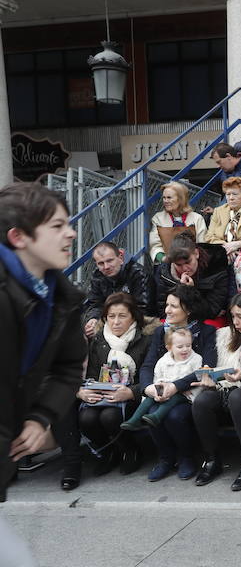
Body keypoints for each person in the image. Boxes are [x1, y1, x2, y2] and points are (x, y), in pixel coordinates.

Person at [0, 184, 85, 503]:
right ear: (18, 237)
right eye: (57, 226)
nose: (72, 234)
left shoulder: (61, 297)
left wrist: (40, 416)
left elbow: (69, 366)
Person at [57, 292, 151, 491]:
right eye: (111, 316)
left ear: (133, 316)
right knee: (87, 417)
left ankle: (130, 450)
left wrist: (130, 392)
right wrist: (88, 391)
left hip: (133, 396)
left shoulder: (144, 340)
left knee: (110, 416)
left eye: (122, 316)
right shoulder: (99, 340)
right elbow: (91, 374)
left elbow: (148, 377)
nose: (116, 322)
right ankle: (108, 452)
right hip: (104, 394)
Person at [139, 285, 217, 482]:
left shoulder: (206, 331)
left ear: (188, 310)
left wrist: (176, 386)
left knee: (174, 416)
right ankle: (165, 458)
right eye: (167, 305)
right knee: (150, 412)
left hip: (189, 393)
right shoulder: (160, 333)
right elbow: (148, 365)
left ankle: (186, 457)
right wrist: (149, 388)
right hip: (162, 388)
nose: (167, 310)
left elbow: (206, 367)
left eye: (173, 306)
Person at [191, 291, 241, 490]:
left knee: (238, 396)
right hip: (226, 387)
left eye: (240, 317)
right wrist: (212, 380)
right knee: (202, 401)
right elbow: (218, 370)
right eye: (233, 316)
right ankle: (211, 460)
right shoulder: (224, 336)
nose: (235, 322)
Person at [121, 326, 202, 431]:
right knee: (149, 399)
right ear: (169, 348)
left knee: (174, 397)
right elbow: (157, 376)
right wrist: (158, 389)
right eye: (180, 347)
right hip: (164, 389)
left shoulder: (196, 359)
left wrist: (181, 389)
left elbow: (198, 376)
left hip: (185, 393)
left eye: (188, 345)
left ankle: (157, 416)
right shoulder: (163, 361)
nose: (185, 349)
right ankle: (134, 420)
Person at [149, 232, 230, 323]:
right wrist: (181, 289)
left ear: (196, 253)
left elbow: (211, 311)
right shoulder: (165, 273)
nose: (184, 268)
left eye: (188, 262)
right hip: (176, 319)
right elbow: (163, 311)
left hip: (204, 321)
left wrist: (191, 292)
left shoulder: (216, 268)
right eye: (178, 265)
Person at [82, 241, 150, 338]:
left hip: (134, 325)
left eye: (110, 261)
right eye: (101, 263)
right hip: (110, 321)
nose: (106, 267)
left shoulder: (139, 274)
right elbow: (95, 304)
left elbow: (144, 310)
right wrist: (93, 319)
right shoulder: (97, 276)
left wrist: (110, 324)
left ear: (121, 258)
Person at [148, 181, 208, 263]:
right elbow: (155, 246)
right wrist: (164, 259)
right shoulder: (158, 218)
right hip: (167, 264)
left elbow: (202, 245)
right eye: (164, 198)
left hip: (192, 264)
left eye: (169, 197)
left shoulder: (197, 218)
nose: (165, 201)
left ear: (180, 199)